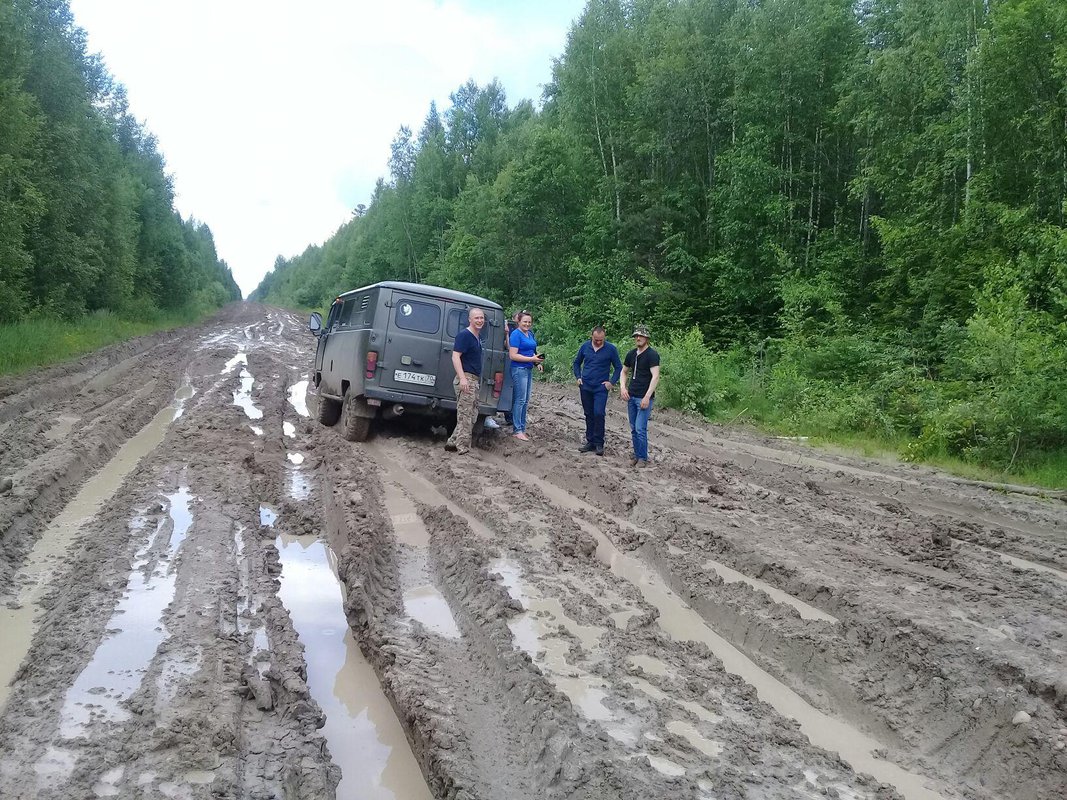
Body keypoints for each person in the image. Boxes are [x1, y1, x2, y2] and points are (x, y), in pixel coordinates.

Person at [571, 325, 622, 456]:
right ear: (591, 336)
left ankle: (599, 443)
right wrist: (578, 377)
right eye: (596, 339)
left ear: (604, 337)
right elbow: (576, 363)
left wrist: (611, 382)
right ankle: (590, 442)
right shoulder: (585, 347)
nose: (598, 342)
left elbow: (618, 367)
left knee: (599, 413)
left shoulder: (611, 349)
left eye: (601, 340)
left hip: (601, 387)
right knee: (588, 413)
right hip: (586, 386)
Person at [445, 307, 485, 455]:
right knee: (465, 416)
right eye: (476, 318)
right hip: (466, 379)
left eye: (481, 318)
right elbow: (455, 356)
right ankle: (462, 448)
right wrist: (462, 378)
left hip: (474, 380)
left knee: (472, 414)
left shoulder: (477, 337)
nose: (480, 320)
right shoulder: (464, 335)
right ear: (470, 319)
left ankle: (452, 441)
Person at [620, 325, 660, 467]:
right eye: (636, 336)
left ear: (647, 338)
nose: (638, 338)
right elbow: (624, 371)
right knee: (633, 427)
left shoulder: (652, 355)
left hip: (644, 397)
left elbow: (655, 377)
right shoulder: (631, 354)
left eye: (641, 336)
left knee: (640, 428)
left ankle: (643, 458)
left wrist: (647, 396)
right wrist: (623, 387)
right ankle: (637, 455)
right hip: (631, 396)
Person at [508, 311, 544, 441]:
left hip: (528, 368)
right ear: (519, 321)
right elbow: (513, 355)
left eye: (529, 322)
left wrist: (536, 362)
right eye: (525, 321)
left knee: (526, 400)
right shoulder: (515, 335)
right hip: (519, 369)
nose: (527, 324)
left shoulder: (530, 334)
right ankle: (517, 430)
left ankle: (522, 428)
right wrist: (531, 359)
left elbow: (532, 351)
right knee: (520, 400)